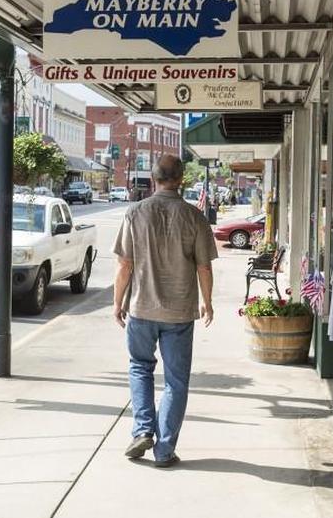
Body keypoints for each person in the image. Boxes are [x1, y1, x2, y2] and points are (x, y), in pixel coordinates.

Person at [113, 154, 217, 468]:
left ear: (153, 178)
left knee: (140, 367)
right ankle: (164, 450)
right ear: (181, 179)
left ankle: (143, 430)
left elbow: (124, 265)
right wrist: (207, 301)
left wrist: (117, 303)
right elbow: (204, 267)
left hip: (141, 308)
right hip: (179, 313)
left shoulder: (134, 213)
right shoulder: (194, 216)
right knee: (176, 381)